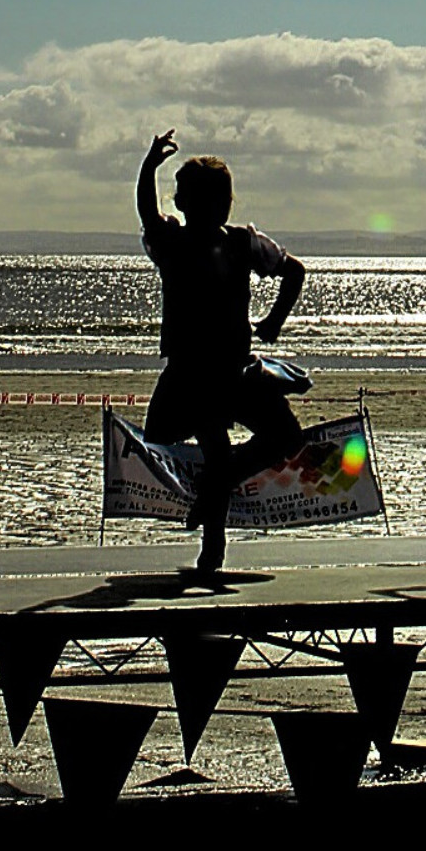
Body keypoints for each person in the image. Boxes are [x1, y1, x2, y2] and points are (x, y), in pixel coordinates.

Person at [137, 131, 307, 574]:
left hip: (233, 370)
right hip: (191, 373)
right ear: (186, 203)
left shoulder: (242, 242)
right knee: (214, 447)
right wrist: (149, 166)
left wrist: (273, 323)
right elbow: (146, 213)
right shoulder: (171, 243)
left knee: (286, 437)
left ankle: (218, 489)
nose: (221, 207)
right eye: (212, 199)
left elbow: (294, 272)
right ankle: (212, 548)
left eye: (223, 199)